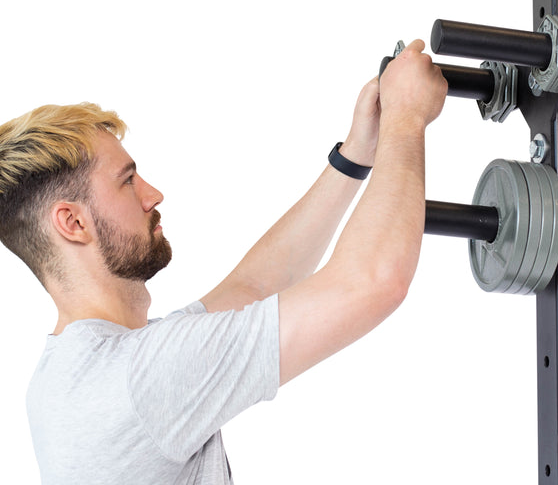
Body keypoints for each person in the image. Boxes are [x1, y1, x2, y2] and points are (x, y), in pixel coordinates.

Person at [0, 39, 447, 484]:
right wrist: (407, 119)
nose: (152, 195)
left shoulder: (66, 377)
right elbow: (372, 282)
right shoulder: (143, 378)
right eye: (127, 181)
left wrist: (355, 155)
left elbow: (252, 288)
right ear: (73, 222)